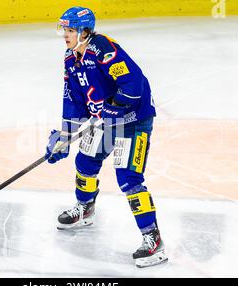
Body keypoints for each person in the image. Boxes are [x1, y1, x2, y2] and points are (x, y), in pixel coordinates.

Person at [44, 6, 168, 268]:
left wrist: (114, 107)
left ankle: (153, 240)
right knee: (85, 162)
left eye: (70, 30)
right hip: (106, 121)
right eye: (64, 29)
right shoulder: (70, 58)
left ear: (85, 31)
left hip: (134, 121)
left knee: (129, 178)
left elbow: (134, 84)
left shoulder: (102, 47)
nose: (65, 34)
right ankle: (85, 208)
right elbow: (73, 101)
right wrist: (65, 137)